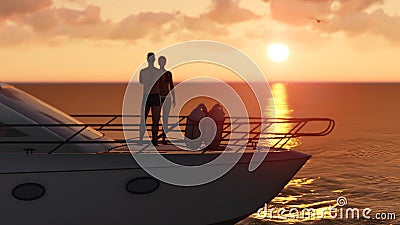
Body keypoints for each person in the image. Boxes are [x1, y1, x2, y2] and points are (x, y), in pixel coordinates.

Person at [139, 52, 161, 146]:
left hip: (151, 95)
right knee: (153, 120)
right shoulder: (156, 72)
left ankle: (144, 140)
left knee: (148, 120)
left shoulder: (144, 72)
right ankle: (153, 140)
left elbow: (142, 82)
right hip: (151, 95)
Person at [158, 56, 175, 144]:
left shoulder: (168, 73)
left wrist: (174, 98)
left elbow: (171, 86)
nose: (162, 63)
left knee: (165, 119)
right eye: (160, 61)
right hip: (159, 97)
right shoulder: (156, 73)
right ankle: (156, 139)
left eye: (163, 61)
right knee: (157, 118)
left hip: (167, 97)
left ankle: (164, 138)